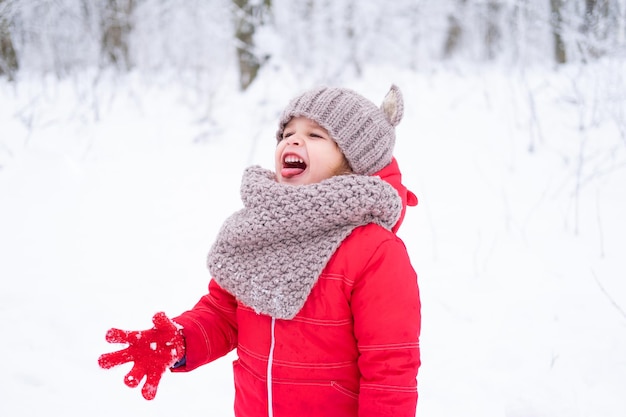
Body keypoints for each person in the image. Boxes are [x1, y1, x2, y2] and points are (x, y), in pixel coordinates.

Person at [99, 84, 421, 417]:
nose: (293, 140)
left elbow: (390, 367)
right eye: (287, 132)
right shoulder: (260, 229)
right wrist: (181, 341)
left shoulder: (374, 251)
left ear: (353, 161)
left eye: (315, 135)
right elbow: (224, 314)